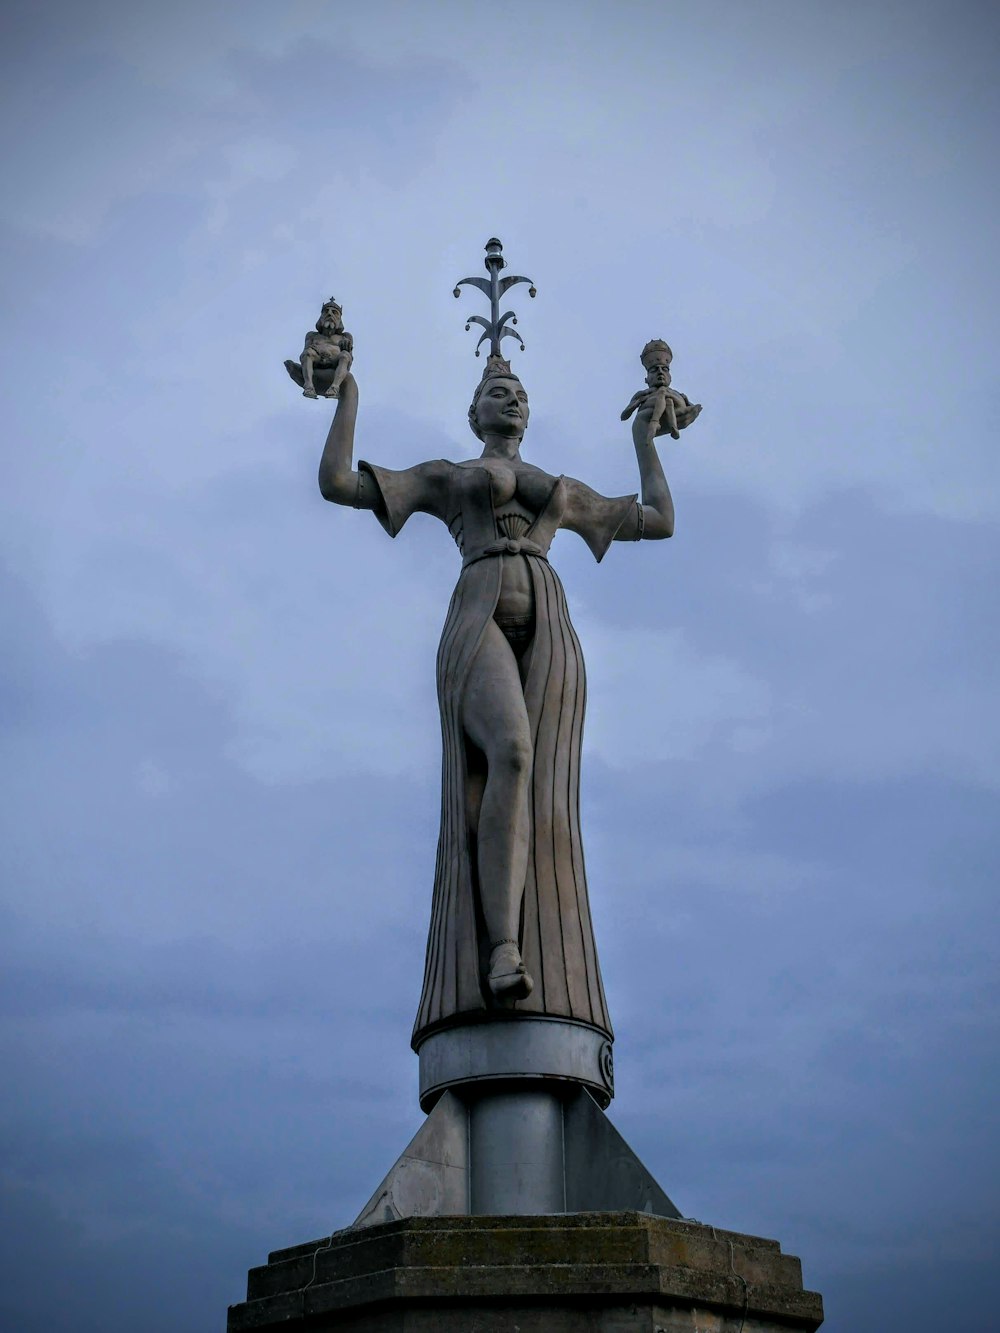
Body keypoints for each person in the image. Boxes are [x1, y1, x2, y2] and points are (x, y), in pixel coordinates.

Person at [318, 357, 676, 1050]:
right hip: (479, 612)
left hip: (548, 627)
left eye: (518, 393)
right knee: (509, 752)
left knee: (541, 784)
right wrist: (347, 392)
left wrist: (646, 435)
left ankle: (529, 942)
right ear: (474, 411)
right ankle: (502, 947)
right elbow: (336, 482)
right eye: (495, 391)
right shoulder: (449, 477)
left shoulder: (564, 492)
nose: (509, 398)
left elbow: (659, 519)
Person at [620, 339, 701, 444]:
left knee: (668, 400)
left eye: (665, 369)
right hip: (647, 421)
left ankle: (672, 427)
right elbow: (624, 415)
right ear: (646, 379)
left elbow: (690, 407)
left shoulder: (675, 393)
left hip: (674, 411)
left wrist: (691, 406)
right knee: (663, 393)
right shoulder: (644, 394)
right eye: (654, 370)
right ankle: (655, 423)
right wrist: (639, 401)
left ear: (670, 377)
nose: (660, 372)